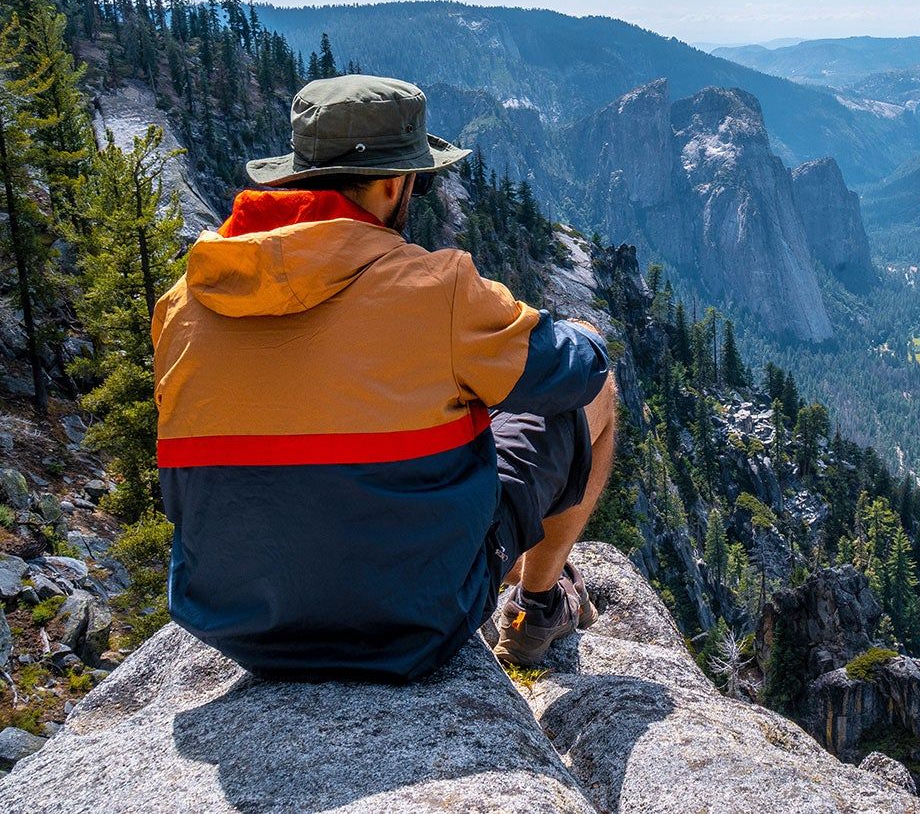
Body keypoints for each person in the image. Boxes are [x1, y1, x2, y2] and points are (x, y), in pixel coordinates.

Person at [151, 74, 614, 681]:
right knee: (595, 388)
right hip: (412, 625)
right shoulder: (435, 287)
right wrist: (524, 332)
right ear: (395, 182)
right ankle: (538, 606)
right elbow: (576, 373)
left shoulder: (184, 302)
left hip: (239, 627)